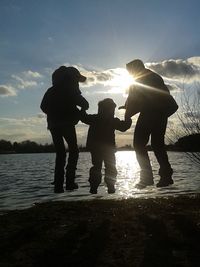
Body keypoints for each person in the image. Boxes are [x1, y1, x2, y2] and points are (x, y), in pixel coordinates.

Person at [122, 59, 178, 189]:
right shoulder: (153, 76)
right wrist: (127, 107)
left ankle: (147, 177)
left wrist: (127, 116)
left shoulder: (139, 78)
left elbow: (134, 98)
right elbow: (136, 98)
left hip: (151, 113)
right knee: (158, 145)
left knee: (138, 144)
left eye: (129, 71)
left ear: (134, 68)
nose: (129, 73)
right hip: (161, 113)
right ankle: (166, 176)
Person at [40, 66, 89, 193]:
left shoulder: (50, 90)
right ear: (72, 78)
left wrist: (53, 113)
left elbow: (43, 106)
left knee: (60, 153)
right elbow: (85, 104)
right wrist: (77, 112)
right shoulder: (71, 89)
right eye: (76, 79)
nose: (77, 82)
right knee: (74, 150)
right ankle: (70, 182)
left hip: (53, 125)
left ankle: (58, 185)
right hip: (66, 123)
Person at [81, 98, 132, 194]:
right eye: (111, 109)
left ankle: (96, 186)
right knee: (109, 167)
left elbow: (83, 117)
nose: (112, 111)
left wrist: (82, 108)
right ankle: (108, 186)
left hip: (98, 148)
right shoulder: (111, 120)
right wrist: (128, 114)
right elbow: (124, 126)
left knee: (98, 166)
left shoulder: (96, 118)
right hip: (106, 148)